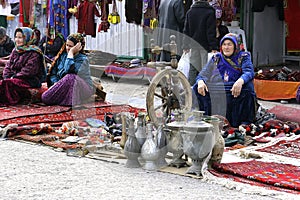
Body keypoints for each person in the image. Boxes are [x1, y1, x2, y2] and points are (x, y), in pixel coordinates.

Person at [192, 33, 257, 127]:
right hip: (219, 87)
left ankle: (244, 121)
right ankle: (204, 118)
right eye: (224, 44)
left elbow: (249, 72)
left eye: (229, 44)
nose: (226, 47)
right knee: (197, 87)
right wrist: (200, 81)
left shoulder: (243, 57)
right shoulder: (216, 58)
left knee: (248, 87)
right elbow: (203, 74)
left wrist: (240, 81)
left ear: (236, 46)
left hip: (234, 87)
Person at [41, 33, 94, 106]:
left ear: (78, 47)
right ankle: (66, 99)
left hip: (83, 88)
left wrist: (71, 53)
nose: (68, 48)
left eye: (71, 46)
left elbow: (68, 71)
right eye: (67, 45)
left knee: (71, 77)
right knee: (45, 97)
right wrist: (56, 83)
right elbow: (53, 73)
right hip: (63, 85)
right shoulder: (62, 56)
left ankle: (69, 101)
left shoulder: (83, 59)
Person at [0, 27, 46, 106]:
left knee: (8, 83)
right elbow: (9, 65)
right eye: (16, 37)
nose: (17, 40)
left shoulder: (34, 52)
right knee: (5, 81)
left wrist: (14, 76)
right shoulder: (16, 50)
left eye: (20, 37)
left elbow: (29, 71)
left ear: (28, 38)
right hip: (14, 77)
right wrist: (7, 75)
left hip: (29, 80)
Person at [183, 0, 218, 86]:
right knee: (205, 68)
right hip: (205, 46)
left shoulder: (190, 12)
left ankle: (191, 88)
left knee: (193, 68)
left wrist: (185, 45)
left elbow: (186, 30)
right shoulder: (210, 11)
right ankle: (205, 90)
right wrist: (213, 46)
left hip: (194, 44)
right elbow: (210, 31)